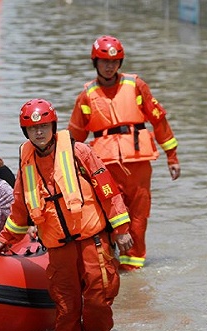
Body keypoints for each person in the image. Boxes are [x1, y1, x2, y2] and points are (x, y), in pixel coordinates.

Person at [0, 99, 133, 331]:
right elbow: (19, 207)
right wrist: (5, 238)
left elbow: (108, 189)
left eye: (44, 127)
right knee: (66, 308)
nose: (39, 132)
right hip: (58, 249)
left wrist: (122, 230)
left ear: (53, 126)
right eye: (33, 129)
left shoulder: (79, 152)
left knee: (98, 300)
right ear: (25, 132)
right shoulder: (26, 163)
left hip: (92, 240)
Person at [67, 35, 181, 270]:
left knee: (138, 219)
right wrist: (67, 170)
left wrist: (172, 157)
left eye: (115, 61)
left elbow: (158, 121)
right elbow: (74, 137)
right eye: (104, 61)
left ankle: (133, 274)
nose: (110, 66)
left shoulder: (136, 85)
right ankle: (108, 267)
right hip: (104, 169)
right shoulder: (87, 95)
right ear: (95, 62)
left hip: (138, 167)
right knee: (107, 219)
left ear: (120, 62)